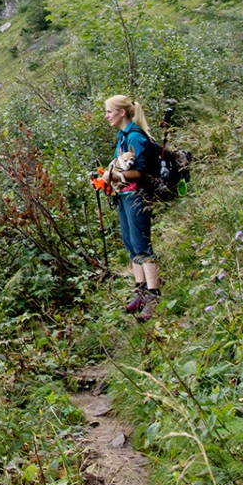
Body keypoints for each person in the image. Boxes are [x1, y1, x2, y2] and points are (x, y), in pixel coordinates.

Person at [99, 94, 161, 321]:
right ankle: (140, 289)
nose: (106, 116)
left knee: (141, 243)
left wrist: (114, 175)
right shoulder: (122, 136)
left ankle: (154, 294)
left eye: (109, 111)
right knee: (130, 242)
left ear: (122, 112)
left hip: (136, 195)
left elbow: (141, 172)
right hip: (124, 196)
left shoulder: (135, 137)